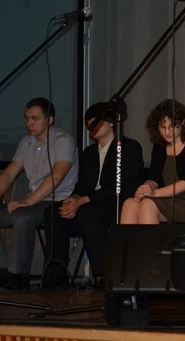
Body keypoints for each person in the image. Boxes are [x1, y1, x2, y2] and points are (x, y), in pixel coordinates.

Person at [0, 97, 79, 291]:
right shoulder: (26, 143)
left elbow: (56, 177)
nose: (29, 123)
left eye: (35, 118)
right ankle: (2, 270)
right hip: (33, 201)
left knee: (22, 217)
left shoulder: (63, 141)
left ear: (49, 119)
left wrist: (28, 201)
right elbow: (9, 173)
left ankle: (19, 276)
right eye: (26, 118)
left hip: (55, 202)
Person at [41, 102, 145, 288]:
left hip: (116, 203)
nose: (90, 124)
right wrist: (74, 200)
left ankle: (103, 274)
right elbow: (82, 184)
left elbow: (123, 185)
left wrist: (83, 201)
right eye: (88, 121)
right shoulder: (89, 153)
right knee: (53, 213)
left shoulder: (129, 147)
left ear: (111, 122)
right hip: (88, 203)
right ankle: (56, 275)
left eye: (96, 120)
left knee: (89, 213)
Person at [120, 99, 185, 224]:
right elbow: (153, 177)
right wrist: (146, 188)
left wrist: (154, 193)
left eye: (172, 126)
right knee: (130, 204)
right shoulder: (159, 146)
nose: (167, 132)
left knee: (147, 204)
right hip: (163, 198)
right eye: (162, 127)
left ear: (182, 122)